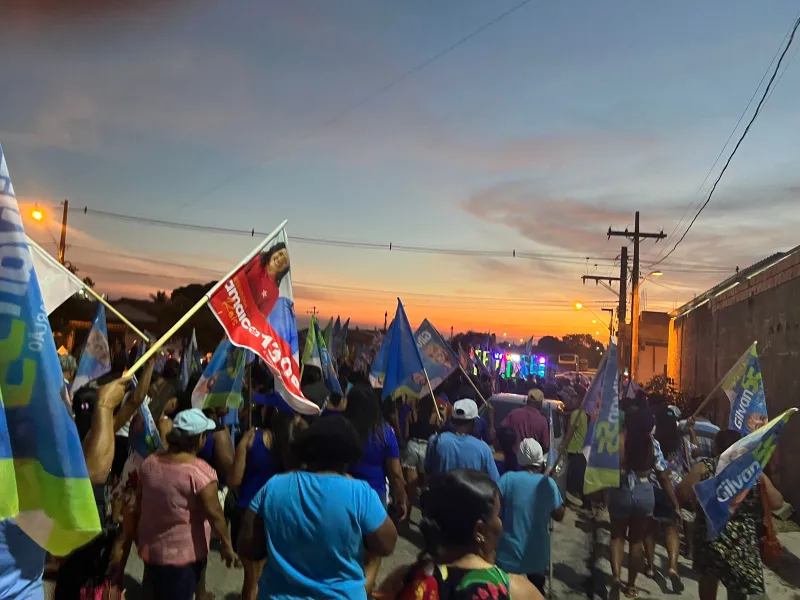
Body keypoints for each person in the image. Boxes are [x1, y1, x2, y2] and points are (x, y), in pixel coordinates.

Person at [237, 415, 398, 599]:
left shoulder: (273, 486)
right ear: (348, 457)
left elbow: (246, 546)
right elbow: (387, 544)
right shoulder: (360, 493)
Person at [378, 469, 541, 599]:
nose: (501, 524)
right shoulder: (515, 591)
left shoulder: (405, 580)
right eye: (498, 516)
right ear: (480, 531)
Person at [133, 409, 238, 600]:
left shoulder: (149, 464)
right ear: (198, 439)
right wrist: (227, 545)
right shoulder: (201, 473)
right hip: (182, 559)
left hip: (152, 550)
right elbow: (215, 514)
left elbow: (139, 503)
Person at [678, 429, 784, 600]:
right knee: (738, 587)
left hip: (710, 537)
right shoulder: (752, 472)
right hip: (741, 541)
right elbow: (777, 502)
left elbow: (682, 493)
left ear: (716, 447)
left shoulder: (704, 468)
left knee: (708, 578)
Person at [229, 413, 306, 600]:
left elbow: (234, 479)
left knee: (251, 579)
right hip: (278, 512)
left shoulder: (251, 439)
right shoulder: (294, 445)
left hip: (247, 511)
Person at [607, 405, 680, 598]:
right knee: (636, 541)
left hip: (621, 488)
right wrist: (675, 503)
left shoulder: (618, 441)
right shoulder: (652, 444)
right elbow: (663, 476)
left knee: (617, 537)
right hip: (644, 491)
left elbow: (605, 467)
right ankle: (631, 585)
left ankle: (615, 577)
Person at [496, 439, 565, 594]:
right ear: (540, 461)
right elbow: (559, 515)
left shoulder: (507, 479)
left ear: (520, 461)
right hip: (536, 556)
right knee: (536, 591)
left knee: (505, 593)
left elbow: (494, 509)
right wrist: (550, 486)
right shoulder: (547, 483)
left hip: (508, 554)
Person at [425, 399, 500, 483]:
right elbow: (495, 481)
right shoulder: (483, 449)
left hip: (440, 494)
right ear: (474, 422)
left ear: (452, 420)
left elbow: (428, 470)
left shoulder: (435, 440)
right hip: (470, 495)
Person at [402, 394, 441, 513]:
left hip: (412, 446)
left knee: (411, 487)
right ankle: (425, 515)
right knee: (425, 485)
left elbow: (406, 435)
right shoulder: (434, 417)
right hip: (426, 448)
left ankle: (406, 518)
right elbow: (439, 433)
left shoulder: (412, 414)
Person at [244, 242, 290, 318]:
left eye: (285, 261)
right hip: (228, 300)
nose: (280, 259)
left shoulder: (274, 292)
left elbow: (261, 318)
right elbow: (238, 274)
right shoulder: (257, 258)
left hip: (241, 319)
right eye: (280, 254)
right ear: (274, 251)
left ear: (285, 269)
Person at [501, 388, 550, 454]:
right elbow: (546, 446)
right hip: (532, 459)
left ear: (527, 401)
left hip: (514, 457)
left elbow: (502, 429)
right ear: (540, 403)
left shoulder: (514, 413)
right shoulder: (543, 421)